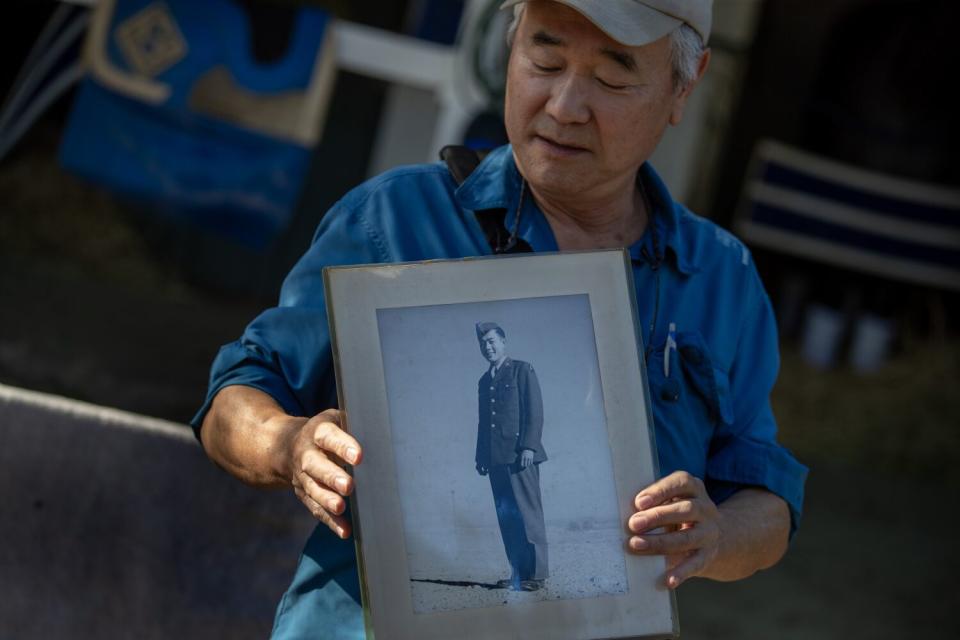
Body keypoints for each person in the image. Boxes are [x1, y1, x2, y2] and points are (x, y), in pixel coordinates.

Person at [194, 1, 808, 637]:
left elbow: (765, 496)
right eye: (545, 58)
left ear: (686, 85)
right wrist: (287, 444)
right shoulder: (396, 220)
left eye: (613, 77)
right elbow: (234, 399)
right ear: (511, 46)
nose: (565, 105)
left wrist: (719, 532)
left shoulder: (719, 276)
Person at [474, 322, 548, 591]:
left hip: (521, 457)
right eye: (483, 344)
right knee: (508, 518)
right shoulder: (484, 381)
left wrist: (529, 446)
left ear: (504, 341)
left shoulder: (521, 370)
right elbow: (484, 423)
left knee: (529, 515)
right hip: (495, 459)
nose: (488, 347)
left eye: (492, 341)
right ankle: (519, 573)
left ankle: (536, 576)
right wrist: (481, 455)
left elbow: (535, 411)